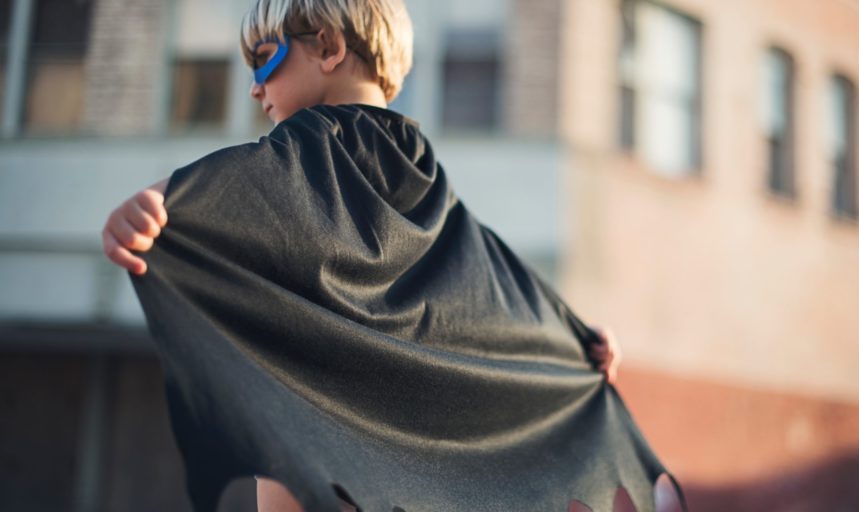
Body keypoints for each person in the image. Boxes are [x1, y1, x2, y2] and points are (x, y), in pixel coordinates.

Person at [100, 1, 683, 511]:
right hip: (398, 444)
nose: (255, 87)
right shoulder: (419, 162)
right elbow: (486, 273)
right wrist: (572, 335)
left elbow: (239, 182)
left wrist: (159, 204)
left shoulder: (311, 143)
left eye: (265, 59)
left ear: (327, 47)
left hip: (320, 416)